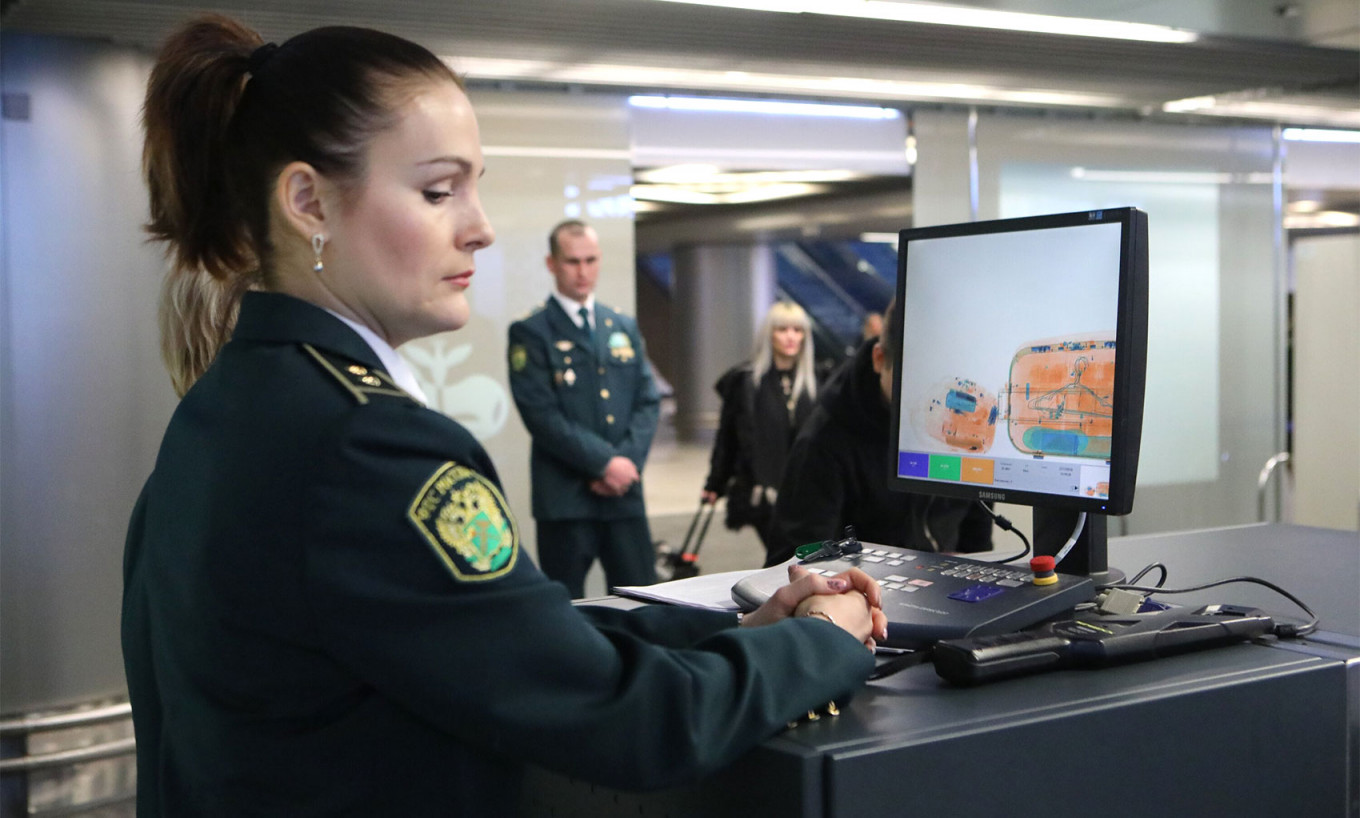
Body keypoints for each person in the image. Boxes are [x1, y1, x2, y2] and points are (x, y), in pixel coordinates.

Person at [122, 15, 887, 816]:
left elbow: (509, 643)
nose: (481, 227)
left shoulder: (227, 406)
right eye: (437, 190)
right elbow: (633, 722)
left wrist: (753, 630)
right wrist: (822, 641)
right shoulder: (367, 443)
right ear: (308, 200)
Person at [766, 300, 994, 566]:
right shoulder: (824, 440)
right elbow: (792, 562)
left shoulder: (965, 422)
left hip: (942, 590)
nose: (934, 405)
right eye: (915, 385)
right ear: (878, 359)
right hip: (861, 596)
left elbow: (977, 538)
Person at [506, 220, 660, 598]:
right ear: (552, 264)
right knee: (567, 605)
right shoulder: (532, 331)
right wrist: (604, 464)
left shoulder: (620, 325)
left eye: (590, 260)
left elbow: (647, 400)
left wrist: (625, 466)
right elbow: (541, 415)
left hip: (624, 496)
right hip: (566, 499)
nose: (583, 271)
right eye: (572, 261)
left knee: (642, 603)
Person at [701, 301, 820, 551]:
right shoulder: (746, 383)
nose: (790, 337)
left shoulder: (817, 382)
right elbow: (728, 438)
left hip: (807, 493)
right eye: (782, 329)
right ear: (769, 334)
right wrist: (715, 484)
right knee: (783, 555)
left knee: (803, 559)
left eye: (797, 331)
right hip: (763, 492)